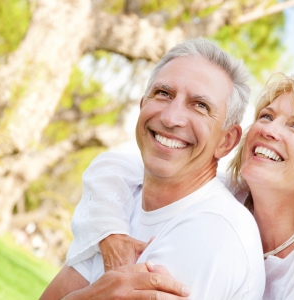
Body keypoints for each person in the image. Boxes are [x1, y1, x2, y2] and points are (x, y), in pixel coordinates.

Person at [66, 74, 294, 299]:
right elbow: (113, 168)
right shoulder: (231, 195)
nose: (268, 129)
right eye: (266, 116)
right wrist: (111, 233)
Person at [41, 38, 266, 299]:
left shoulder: (213, 230)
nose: (170, 118)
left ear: (226, 141)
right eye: (163, 94)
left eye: (200, 106)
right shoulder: (117, 212)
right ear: (142, 106)